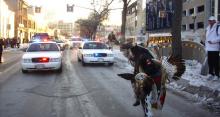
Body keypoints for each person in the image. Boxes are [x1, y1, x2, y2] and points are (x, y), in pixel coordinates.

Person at [205, 16, 220, 80]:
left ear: (214, 21)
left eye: (211, 21)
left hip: (215, 48)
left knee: (216, 62)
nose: (210, 22)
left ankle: (217, 75)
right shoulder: (208, 28)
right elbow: (207, 37)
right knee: (210, 62)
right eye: (209, 21)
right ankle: (210, 73)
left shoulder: (218, 27)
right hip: (209, 48)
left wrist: (213, 41)